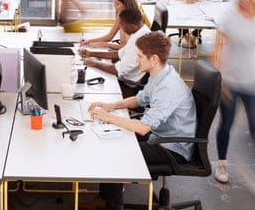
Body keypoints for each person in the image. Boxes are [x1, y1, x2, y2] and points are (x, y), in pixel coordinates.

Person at [81, 32, 196, 210]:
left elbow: (142, 128)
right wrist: (110, 106)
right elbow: (139, 99)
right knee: (111, 143)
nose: (137, 59)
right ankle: (105, 199)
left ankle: (113, 206)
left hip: (172, 147)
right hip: (159, 134)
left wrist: (108, 117)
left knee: (117, 154)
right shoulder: (160, 74)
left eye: (140, 56)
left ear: (154, 58)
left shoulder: (168, 87)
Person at [213, 0, 255, 184]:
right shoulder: (230, 17)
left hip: (252, 83)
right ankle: (221, 163)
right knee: (226, 124)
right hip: (230, 82)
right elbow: (218, 46)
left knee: (254, 126)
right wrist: (220, 77)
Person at [78, 8, 150, 82]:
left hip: (126, 84)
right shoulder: (139, 33)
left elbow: (117, 70)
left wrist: (96, 64)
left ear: (132, 26)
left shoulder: (141, 41)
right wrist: (91, 53)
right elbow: (119, 54)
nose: (120, 28)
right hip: (121, 75)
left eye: (122, 25)